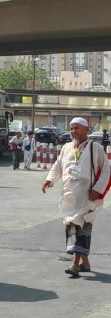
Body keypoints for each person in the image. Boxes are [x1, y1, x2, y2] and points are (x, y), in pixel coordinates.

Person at [43, 117, 110, 278]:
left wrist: (97, 189)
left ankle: (74, 264)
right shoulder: (67, 147)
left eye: (77, 128)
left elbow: (106, 170)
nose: (73, 131)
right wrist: (50, 179)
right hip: (70, 196)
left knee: (81, 228)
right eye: (72, 128)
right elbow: (58, 165)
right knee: (72, 227)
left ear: (87, 129)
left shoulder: (95, 147)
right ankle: (85, 263)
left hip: (88, 196)